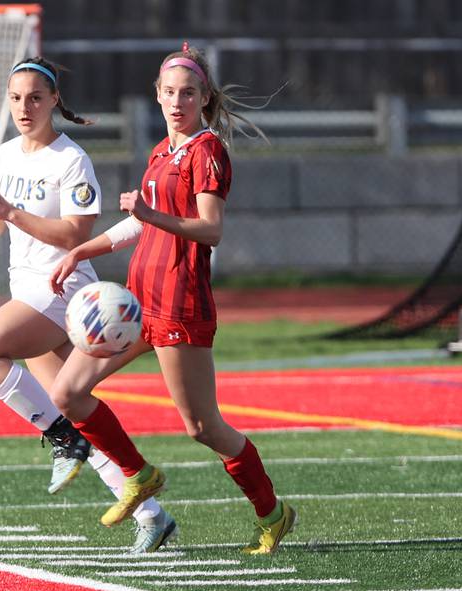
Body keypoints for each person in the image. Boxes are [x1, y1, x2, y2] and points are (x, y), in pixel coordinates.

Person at [0, 57, 176, 554]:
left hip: (62, 291)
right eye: (16, 98)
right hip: (28, 291)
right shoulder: (8, 153)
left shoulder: (70, 159)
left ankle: (65, 439)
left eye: (35, 97)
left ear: (54, 100)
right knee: (73, 404)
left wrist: (9, 210)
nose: (24, 107)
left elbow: (75, 233)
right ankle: (151, 513)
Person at [48, 44, 296, 555]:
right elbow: (140, 219)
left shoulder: (208, 151)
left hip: (180, 305)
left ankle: (273, 512)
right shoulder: (162, 150)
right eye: (169, 92)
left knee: (202, 427)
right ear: (157, 96)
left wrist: (151, 215)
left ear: (204, 97)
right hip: (136, 302)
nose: (177, 101)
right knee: (69, 393)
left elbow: (210, 230)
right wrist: (81, 250)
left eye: (188, 92)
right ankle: (139, 475)